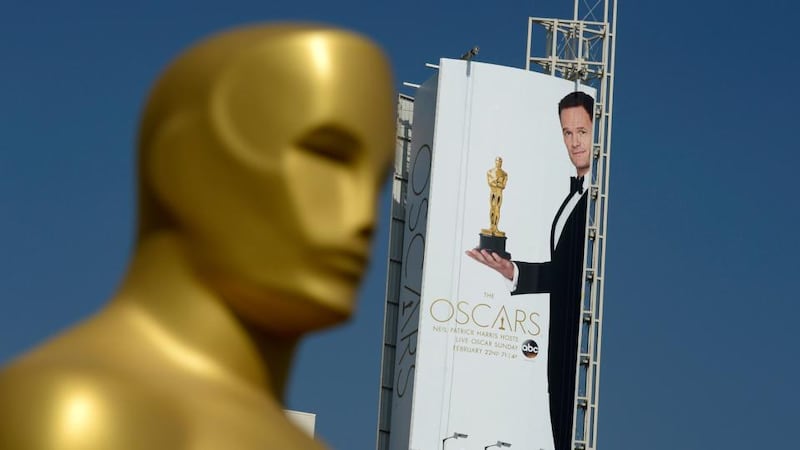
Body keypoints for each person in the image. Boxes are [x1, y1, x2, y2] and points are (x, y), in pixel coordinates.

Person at [0, 24, 395, 450]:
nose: (364, 217)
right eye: (326, 158)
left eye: (377, 180)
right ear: (181, 162)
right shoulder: (79, 409)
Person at [466, 91, 594, 450]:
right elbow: (565, 269)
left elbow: (573, 272)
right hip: (558, 342)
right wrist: (511, 270)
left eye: (582, 131)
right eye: (567, 133)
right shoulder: (573, 195)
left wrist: (517, 272)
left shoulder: (596, 203)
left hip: (578, 344)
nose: (574, 142)